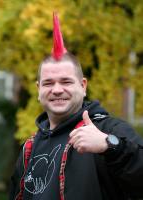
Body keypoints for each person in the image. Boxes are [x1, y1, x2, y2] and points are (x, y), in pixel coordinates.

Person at [9, 13, 143, 200]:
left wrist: (110, 146)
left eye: (66, 81)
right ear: (39, 90)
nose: (57, 90)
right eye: (48, 83)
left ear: (83, 86)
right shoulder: (29, 147)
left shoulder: (109, 130)